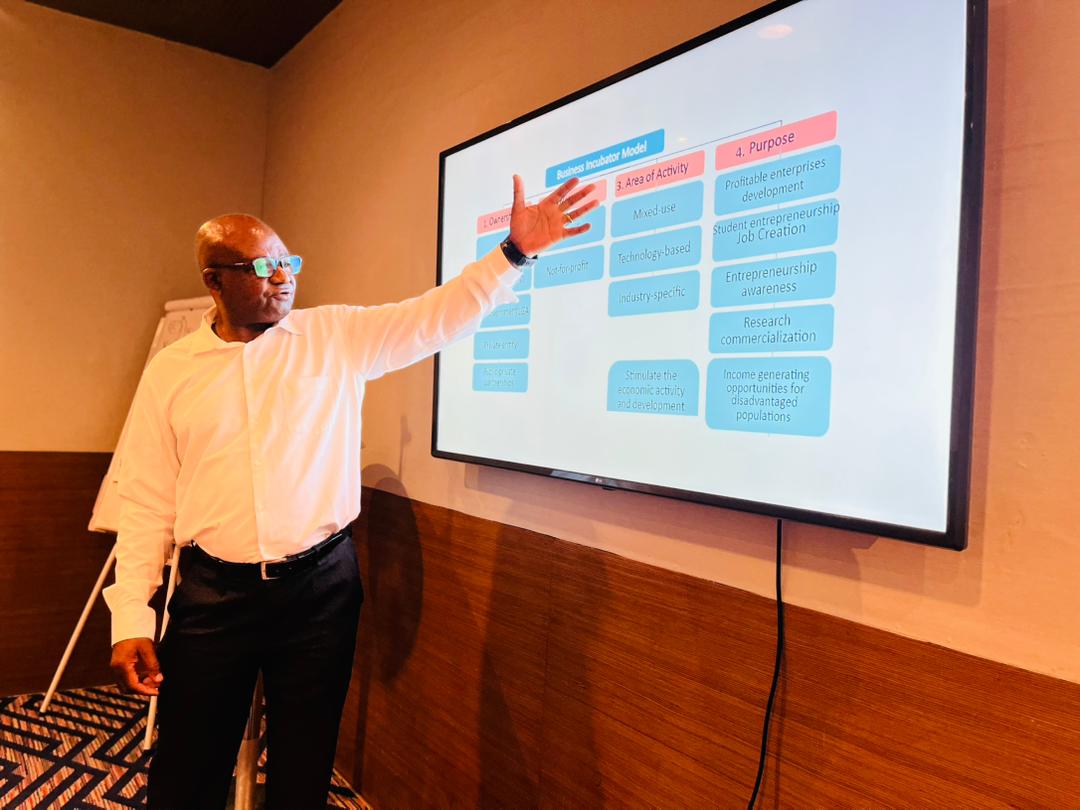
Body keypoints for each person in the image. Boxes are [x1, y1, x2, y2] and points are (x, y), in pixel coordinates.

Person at [103, 175, 598, 809]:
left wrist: (513, 254)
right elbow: (146, 500)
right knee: (186, 769)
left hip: (319, 591)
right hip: (212, 594)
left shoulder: (334, 337)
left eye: (289, 261)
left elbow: (434, 318)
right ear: (214, 281)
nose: (284, 276)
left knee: (304, 766)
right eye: (264, 266)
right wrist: (131, 617)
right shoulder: (172, 372)